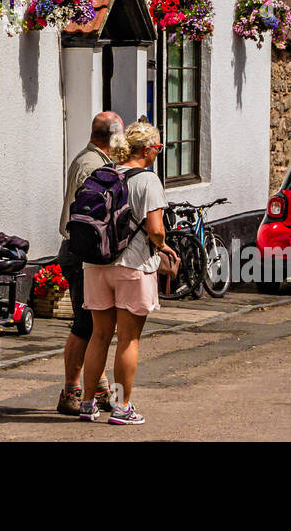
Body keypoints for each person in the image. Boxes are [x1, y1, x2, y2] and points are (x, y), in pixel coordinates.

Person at [78, 121, 178, 426]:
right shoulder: (148, 181)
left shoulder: (103, 174)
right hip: (132, 266)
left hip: (96, 265)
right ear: (147, 150)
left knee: (99, 335)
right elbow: (156, 229)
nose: (158, 153)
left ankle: (86, 404)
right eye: (158, 148)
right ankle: (121, 406)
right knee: (128, 340)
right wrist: (162, 248)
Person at [55, 111, 123, 416]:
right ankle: (71, 390)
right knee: (85, 325)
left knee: (99, 326)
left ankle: (100, 387)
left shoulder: (94, 161)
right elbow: (87, 221)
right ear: (112, 137)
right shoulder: (91, 166)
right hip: (81, 254)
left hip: (86, 253)